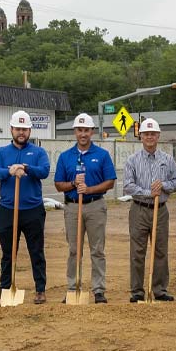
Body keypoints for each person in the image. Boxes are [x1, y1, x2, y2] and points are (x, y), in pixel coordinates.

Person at [0, 111, 51, 305]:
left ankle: (40, 289)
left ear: (29, 130)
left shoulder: (38, 152)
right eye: (18, 129)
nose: (21, 132)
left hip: (32, 210)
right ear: (11, 130)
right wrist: (10, 170)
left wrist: (26, 168)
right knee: (8, 253)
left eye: (24, 129)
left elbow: (45, 171)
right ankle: (4, 289)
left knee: (36, 251)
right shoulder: (1, 152)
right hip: (8, 209)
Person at [54, 113, 117, 304]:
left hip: (95, 206)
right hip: (73, 207)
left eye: (86, 130)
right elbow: (58, 184)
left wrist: (89, 189)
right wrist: (73, 183)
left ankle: (98, 290)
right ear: (75, 132)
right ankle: (73, 288)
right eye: (80, 130)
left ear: (92, 132)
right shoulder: (65, 157)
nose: (83, 134)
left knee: (97, 250)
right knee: (74, 250)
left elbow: (110, 182)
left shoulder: (102, 155)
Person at [122, 118, 176, 302]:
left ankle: (159, 289)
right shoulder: (132, 160)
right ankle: (137, 291)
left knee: (160, 250)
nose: (149, 137)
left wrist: (163, 186)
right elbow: (128, 186)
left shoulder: (167, 159)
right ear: (141, 136)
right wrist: (149, 192)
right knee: (137, 251)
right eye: (146, 134)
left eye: (153, 134)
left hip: (161, 210)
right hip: (139, 209)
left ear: (158, 136)